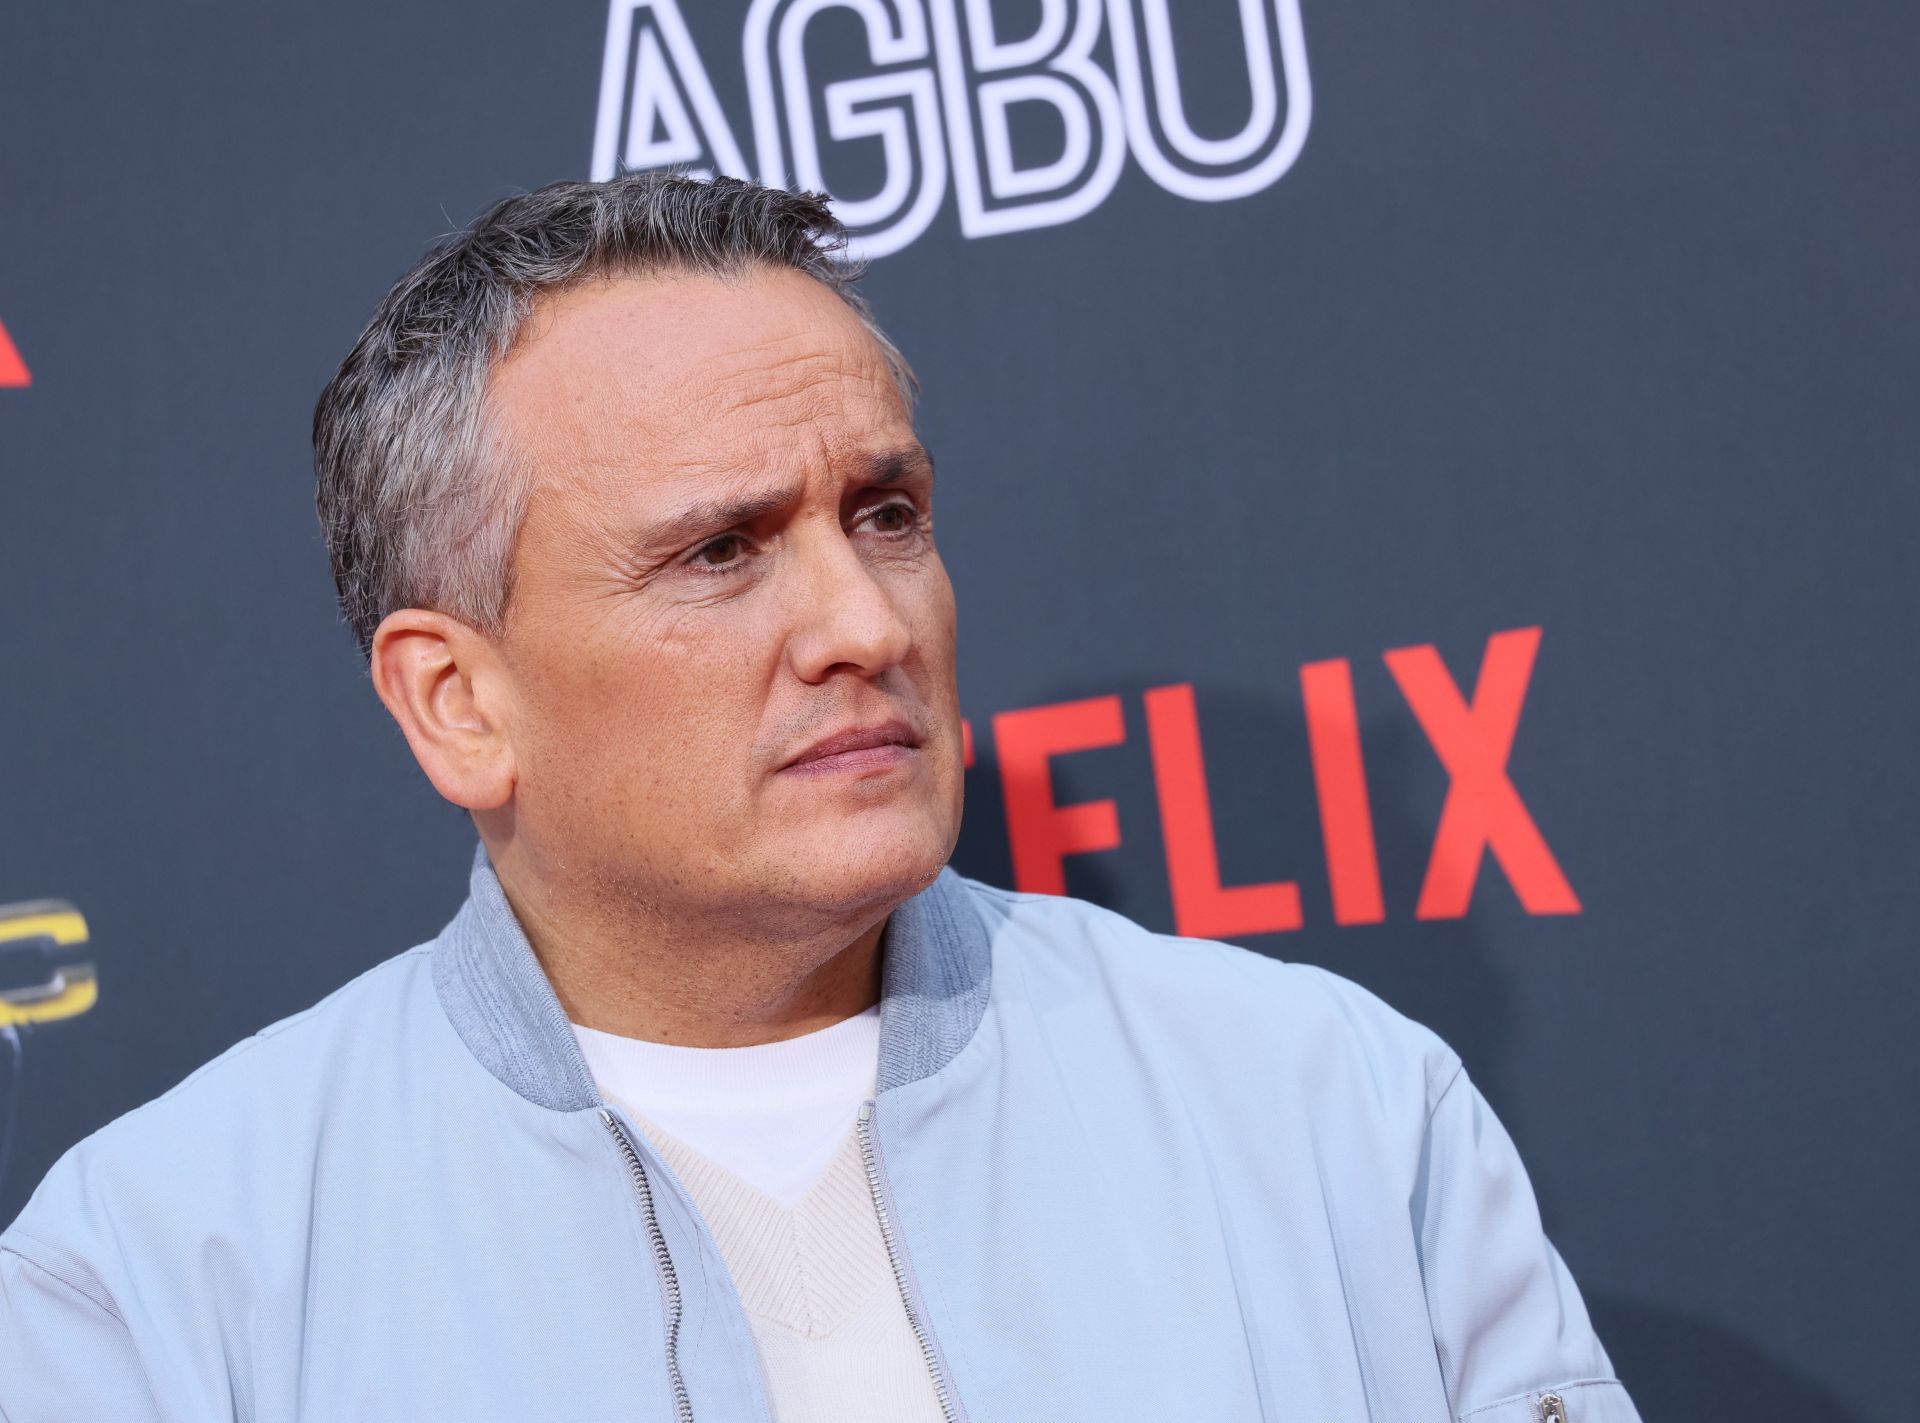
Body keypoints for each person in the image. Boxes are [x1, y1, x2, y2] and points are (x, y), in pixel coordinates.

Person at [0, 173, 1640, 1423]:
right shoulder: (154, 1288)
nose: (865, 626)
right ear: (460, 700)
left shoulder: (1333, 1109)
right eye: (718, 552)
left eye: (886, 514)